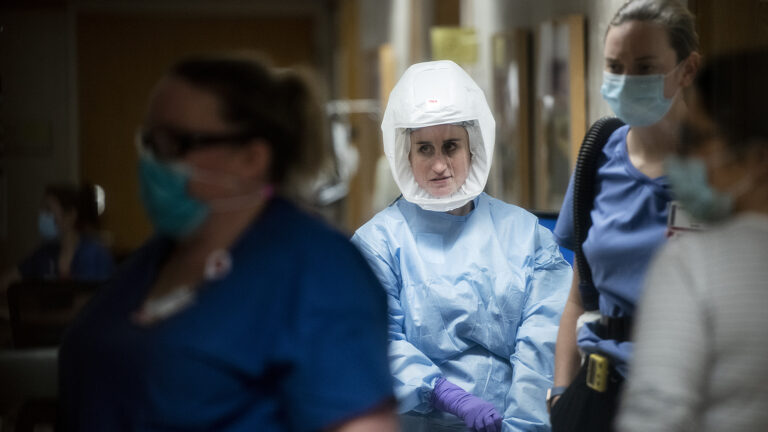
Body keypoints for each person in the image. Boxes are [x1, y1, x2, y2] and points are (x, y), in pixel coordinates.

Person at [59, 53, 397, 431]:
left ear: (252, 157)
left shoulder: (317, 271)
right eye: (148, 143)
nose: (152, 163)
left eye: (173, 143)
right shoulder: (150, 263)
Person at [352, 60, 572, 432]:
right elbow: (374, 341)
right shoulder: (378, 244)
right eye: (425, 149)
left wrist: (522, 427)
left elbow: (544, 346)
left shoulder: (526, 236)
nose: (439, 165)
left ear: (474, 147)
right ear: (406, 154)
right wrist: (445, 394)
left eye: (450, 146)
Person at [549, 0, 700, 430]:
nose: (626, 80)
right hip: (598, 392)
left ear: (687, 69)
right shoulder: (598, 156)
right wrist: (560, 393)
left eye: (645, 67)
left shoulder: (727, 171)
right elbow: (579, 296)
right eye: (615, 67)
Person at [616, 49, 768, 432]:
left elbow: (656, 417)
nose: (684, 158)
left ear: (758, 158)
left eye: (698, 139)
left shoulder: (692, 265)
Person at [9, 183, 114, 282]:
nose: (42, 216)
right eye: (42, 210)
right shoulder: (44, 254)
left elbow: (90, 299)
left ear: (70, 216)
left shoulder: (95, 255)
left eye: (48, 210)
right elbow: (9, 279)